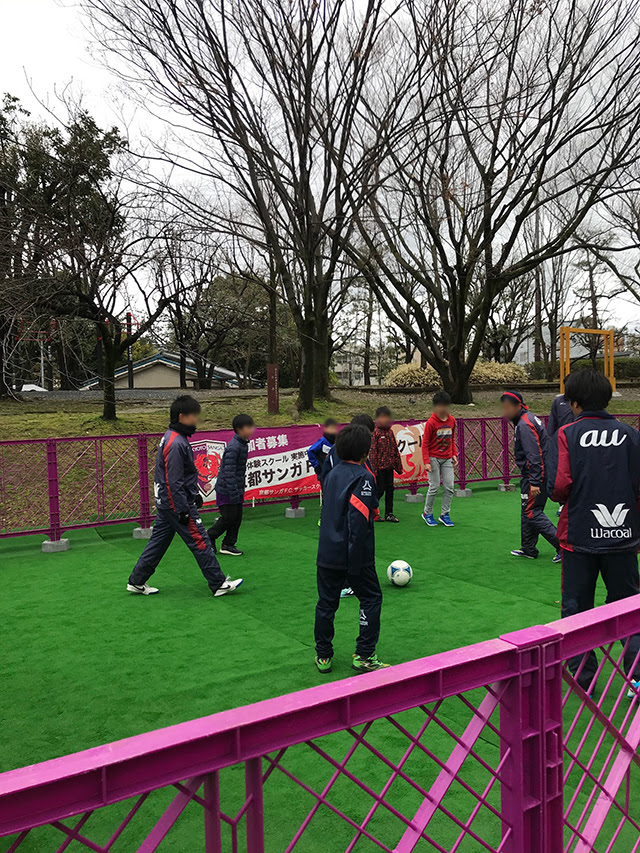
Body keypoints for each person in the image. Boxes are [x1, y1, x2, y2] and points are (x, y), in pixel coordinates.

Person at [548, 369, 640, 695]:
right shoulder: (630, 434)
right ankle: (637, 677)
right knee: (630, 606)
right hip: (624, 536)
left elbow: (559, 487)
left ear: (573, 403)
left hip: (580, 538)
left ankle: (583, 680)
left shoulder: (567, 434)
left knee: (576, 608)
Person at [127, 396, 243, 597]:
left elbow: (177, 477)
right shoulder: (176, 443)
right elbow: (174, 480)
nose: (196, 420)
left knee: (158, 542)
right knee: (200, 540)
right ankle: (218, 583)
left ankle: (136, 581)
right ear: (182, 417)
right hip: (175, 503)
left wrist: (193, 493)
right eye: (193, 416)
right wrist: (182, 508)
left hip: (168, 502)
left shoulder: (172, 438)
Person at [314, 423, 389, 674]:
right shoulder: (364, 477)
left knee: (326, 603)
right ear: (365, 452)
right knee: (371, 598)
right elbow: (357, 521)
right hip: (354, 554)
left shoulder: (332, 473)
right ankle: (364, 654)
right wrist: (355, 563)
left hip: (326, 553)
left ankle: (323, 655)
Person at [500, 390, 560, 562]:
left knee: (532, 511)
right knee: (528, 509)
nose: (505, 412)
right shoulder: (527, 418)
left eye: (508, 408)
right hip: (539, 473)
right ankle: (528, 548)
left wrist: (535, 481)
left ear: (518, 406)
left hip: (536, 475)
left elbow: (534, 454)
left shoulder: (525, 425)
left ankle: (562, 546)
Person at [206, 414, 255, 556]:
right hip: (226, 490)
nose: (252, 430)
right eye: (249, 427)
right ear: (239, 429)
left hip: (236, 488)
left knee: (237, 517)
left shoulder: (242, 444)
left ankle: (228, 544)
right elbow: (229, 472)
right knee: (228, 518)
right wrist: (233, 492)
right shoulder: (234, 447)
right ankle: (210, 536)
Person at [421, 391, 458, 528]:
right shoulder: (431, 423)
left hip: (447, 458)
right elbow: (424, 444)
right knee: (434, 486)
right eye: (440, 406)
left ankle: (445, 514)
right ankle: (427, 513)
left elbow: (452, 438)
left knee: (449, 487)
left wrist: (454, 454)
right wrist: (426, 462)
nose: (443, 409)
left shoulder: (452, 421)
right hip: (433, 458)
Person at [369, 406, 402, 523]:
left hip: (389, 467)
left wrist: (398, 466)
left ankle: (389, 513)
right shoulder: (376, 433)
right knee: (379, 490)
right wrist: (374, 470)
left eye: (387, 417)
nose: (385, 419)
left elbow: (395, 450)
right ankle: (370, 511)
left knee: (390, 490)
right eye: (382, 417)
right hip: (379, 468)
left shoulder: (390, 432)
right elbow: (373, 452)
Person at [307, 418, 338, 487]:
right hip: (324, 472)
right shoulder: (322, 441)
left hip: (336, 473)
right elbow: (310, 451)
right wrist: (316, 466)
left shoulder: (338, 441)